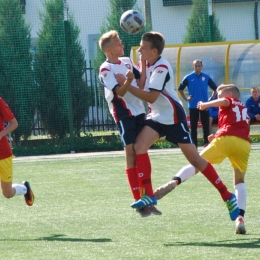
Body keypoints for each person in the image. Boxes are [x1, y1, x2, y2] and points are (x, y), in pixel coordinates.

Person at [116, 32, 239, 222]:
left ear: (154, 51)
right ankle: (148, 194)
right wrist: (134, 75)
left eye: (143, 47)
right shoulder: (145, 62)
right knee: (139, 147)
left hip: (173, 117)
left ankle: (227, 196)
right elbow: (142, 86)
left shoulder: (162, 66)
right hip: (156, 116)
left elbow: (151, 97)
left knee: (196, 160)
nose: (139, 49)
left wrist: (125, 85)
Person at [154, 84, 250, 234]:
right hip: (244, 144)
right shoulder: (244, 108)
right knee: (239, 182)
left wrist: (205, 105)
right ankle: (240, 219)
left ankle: (175, 181)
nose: (218, 98)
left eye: (220, 95)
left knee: (196, 162)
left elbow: (225, 103)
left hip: (226, 140)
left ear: (230, 95)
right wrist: (216, 135)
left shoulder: (229, 101)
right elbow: (236, 125)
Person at [98, 30, 161, 217]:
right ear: (109, 50)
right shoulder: (105, 69)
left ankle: (147, 197)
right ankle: (139, 201)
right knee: (130, 153)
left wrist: (140, 63)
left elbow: (141, 83)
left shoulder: (126, 61)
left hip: (140, 111)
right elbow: (120, 93)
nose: (122, 45)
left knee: (141, 150)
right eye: (118, 43)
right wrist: (128, 81)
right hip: (123, 113)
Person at [0, 97, 34, 206]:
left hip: (3, 155)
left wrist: (0, 134)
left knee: (8, 193)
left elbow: (14, 123)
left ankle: (25, 189)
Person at [178, 60, 217, 147]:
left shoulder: (206, 77)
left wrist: (211, 99)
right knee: (193, 127)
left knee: (205, 126)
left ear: (202, 66)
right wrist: (186, 98)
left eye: (199, 66)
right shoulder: (188, 77)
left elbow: (215, 88)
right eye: (196, 66)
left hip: (204, 105)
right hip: (193, 105)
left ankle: (206, 143)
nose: (197, 67)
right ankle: (194, 145)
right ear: (193, 67)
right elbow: (180, 89)